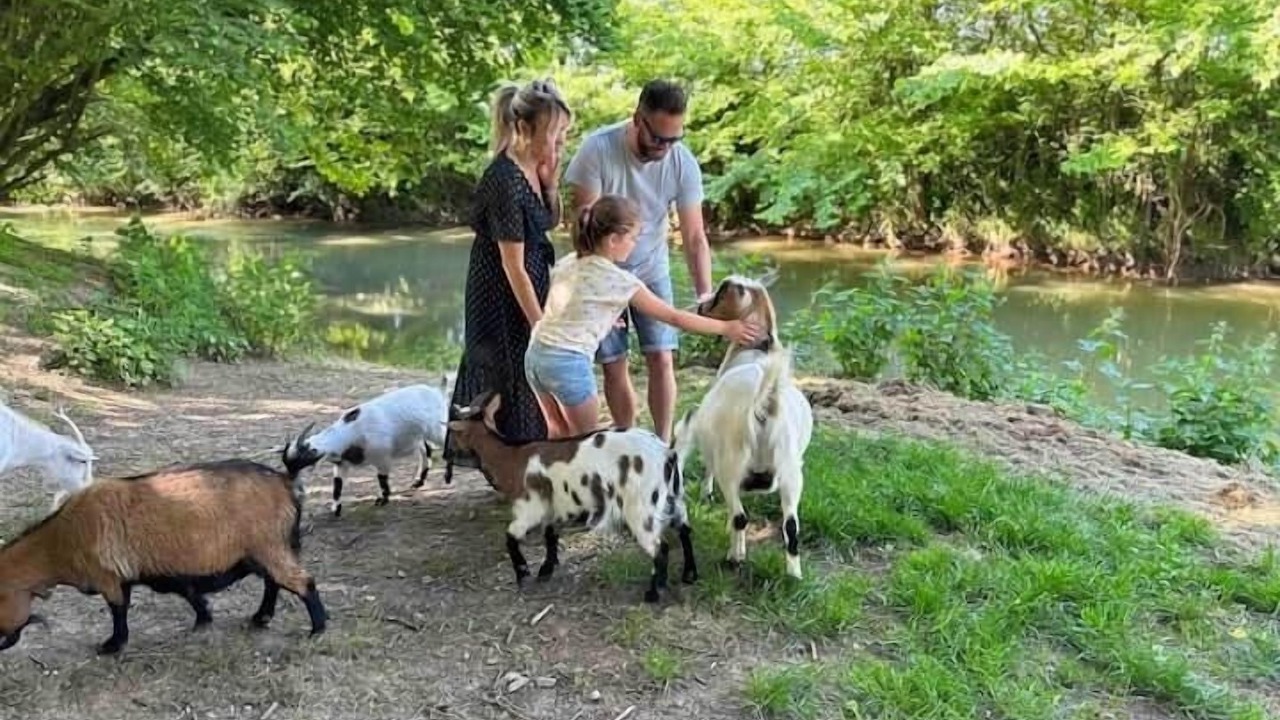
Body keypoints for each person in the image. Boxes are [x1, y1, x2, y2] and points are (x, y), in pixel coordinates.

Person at [524, 194, 760, 438]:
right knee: (584, 444)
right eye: (633, 238)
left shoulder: (568, 262)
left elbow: (568, 304)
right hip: (567, 364)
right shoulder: (621, 282)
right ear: (614, 239)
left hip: (535, 357)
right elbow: (674, 317)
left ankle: (547, 476)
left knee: (557, 434)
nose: (635, 244)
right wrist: (726, 328)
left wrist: (603, 317)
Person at [563, 79, 713, 442]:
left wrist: (705, 294)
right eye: (658, 138)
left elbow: (694, 237)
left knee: (662, 357)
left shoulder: (682, 162)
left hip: (650, 268)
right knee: (614, 364)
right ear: (637, 120)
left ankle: (661, 447)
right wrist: (600, 294)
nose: (665, 148)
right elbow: (583, 229)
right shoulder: (597, 150)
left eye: (673, 139)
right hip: (602, 270)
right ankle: (628, 442)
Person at [443, 78, 572, 480]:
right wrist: (541, 325)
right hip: (500, 289)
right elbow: (511, 265)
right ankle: (506, 463)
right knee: (507, 369)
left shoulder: (534, 169)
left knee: (525, 372)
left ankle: (524, 464)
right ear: (524, 130)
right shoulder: (504, 179)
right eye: (555, 135)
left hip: (529, 281)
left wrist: (551, 183)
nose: (560, 143)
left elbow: (551, 221)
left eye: (565, 135)